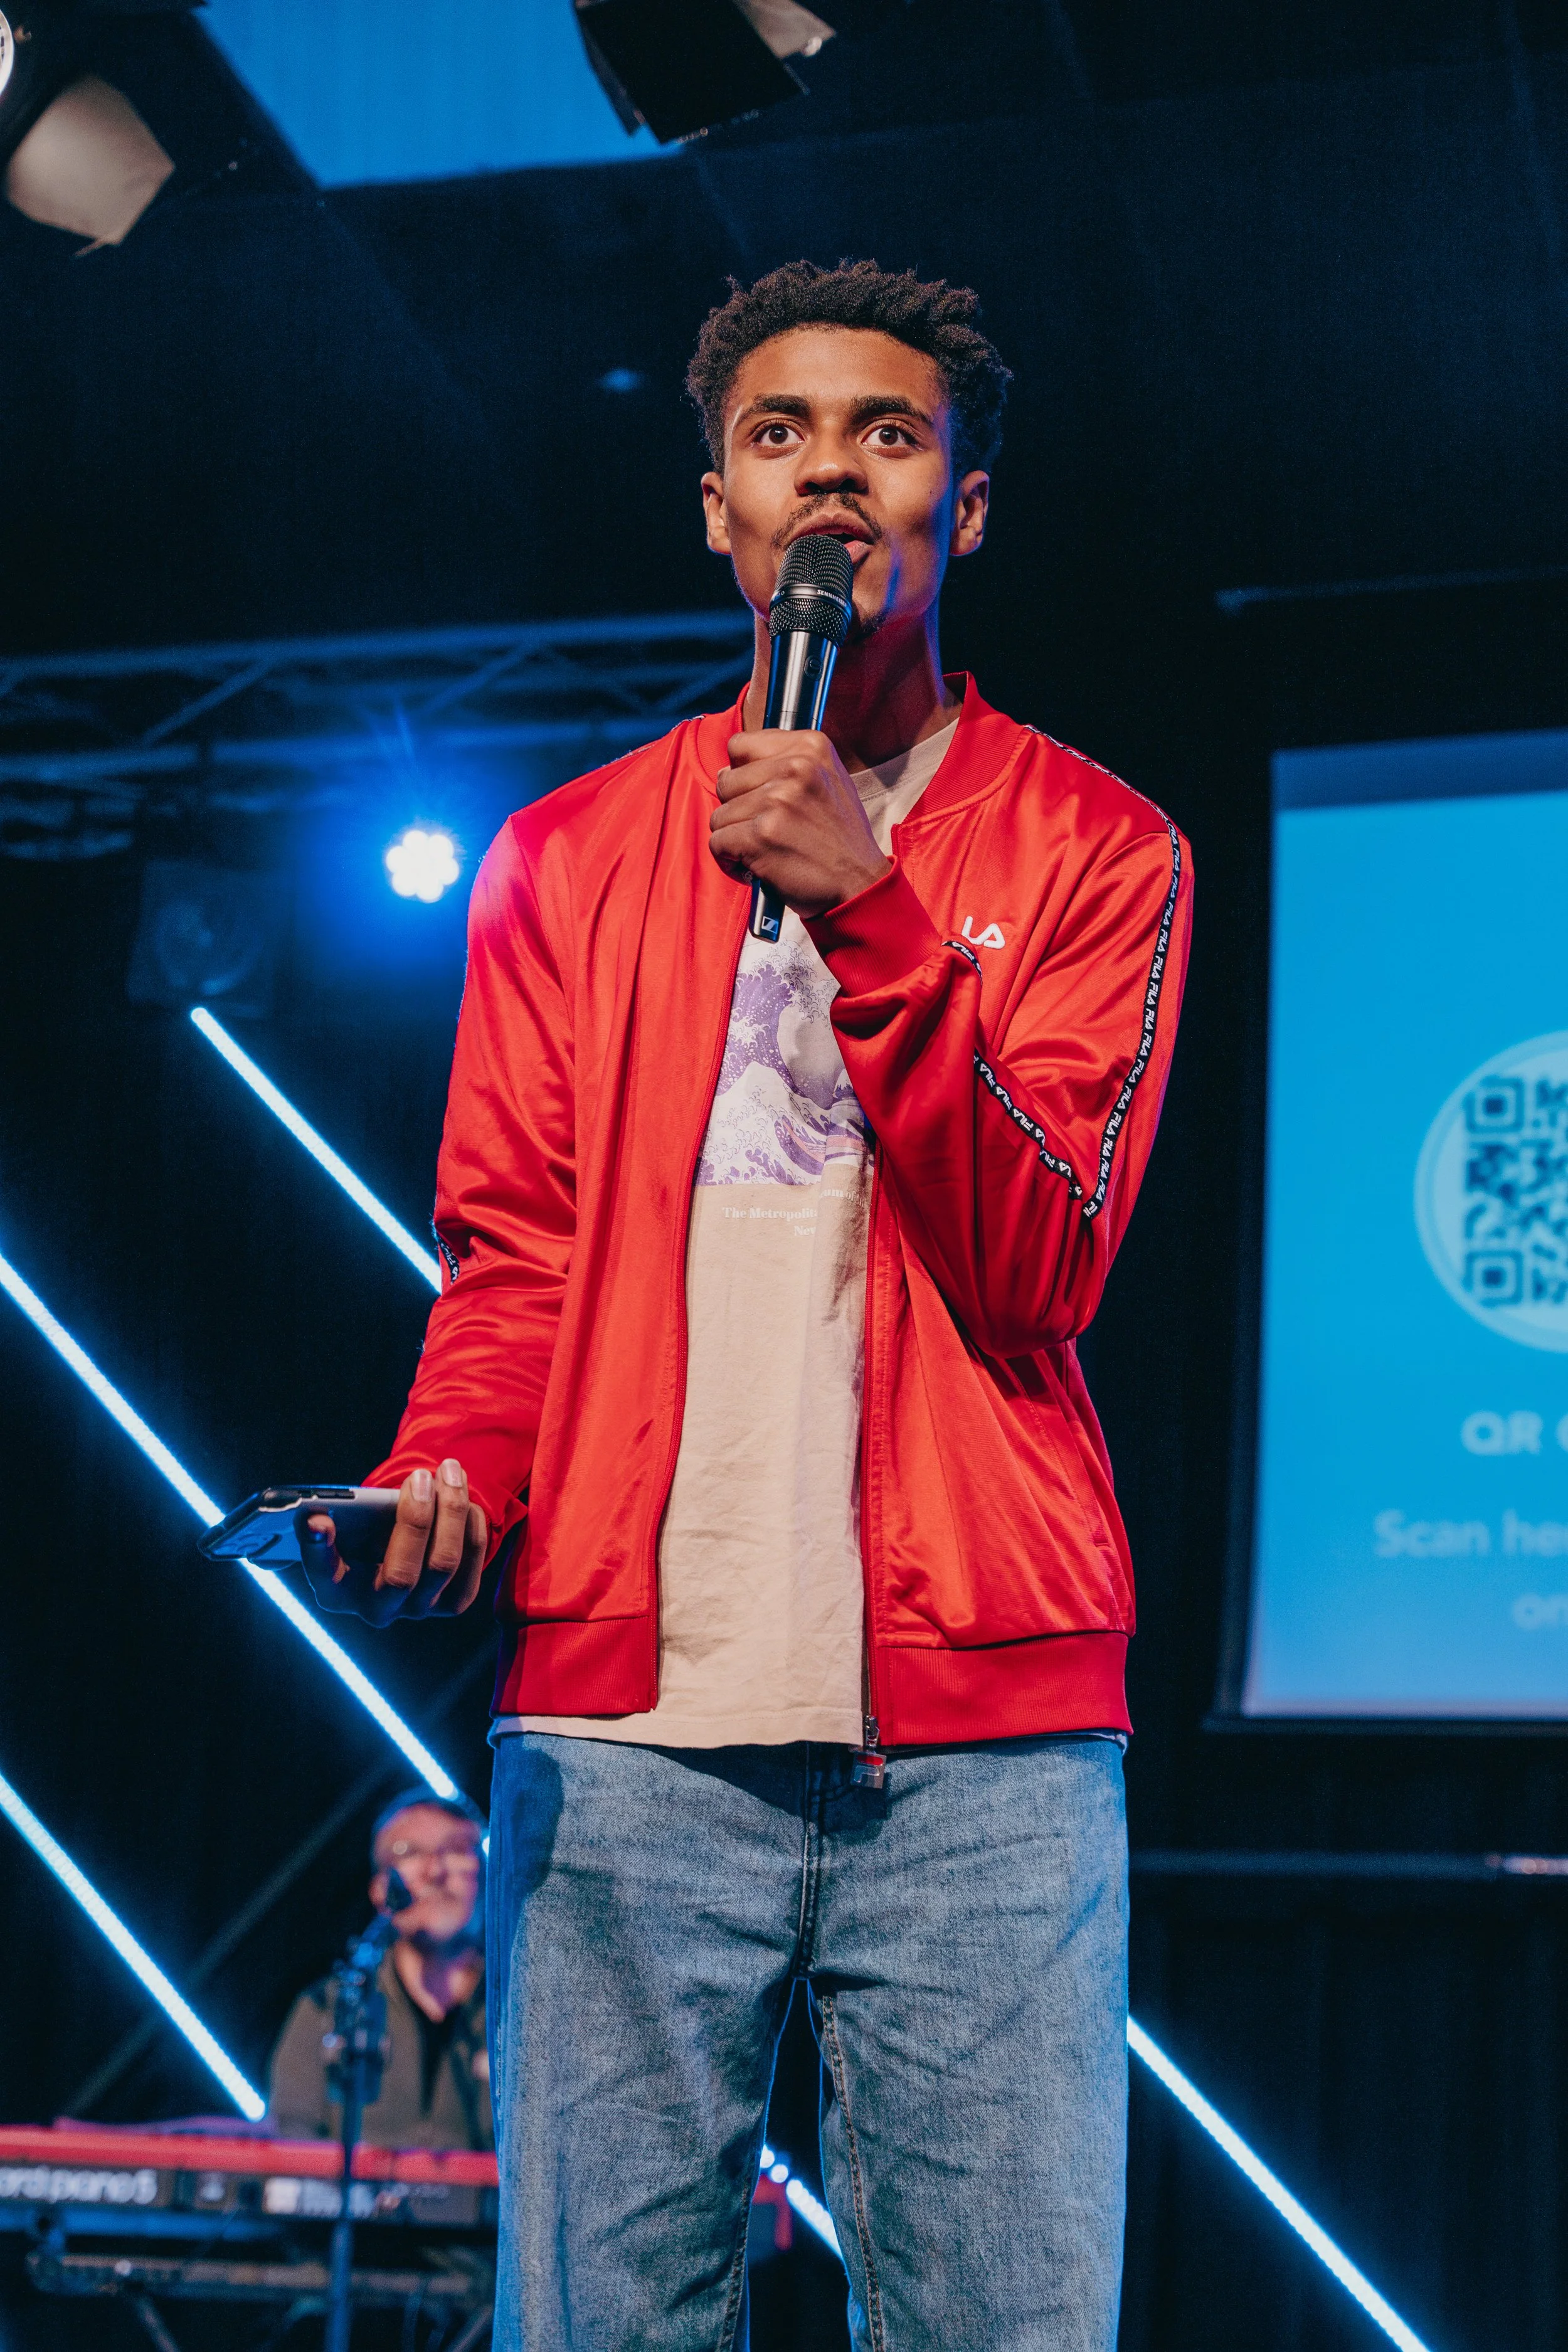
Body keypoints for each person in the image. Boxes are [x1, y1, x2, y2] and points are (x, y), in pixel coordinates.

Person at [304, 259, 1193, 2350]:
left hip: (983, 1743)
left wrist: (868, 913)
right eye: (781, 436)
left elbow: (1044, 1253)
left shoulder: (1097, 849)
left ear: (960, 509)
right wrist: (453, 1474)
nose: (832, 480)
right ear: (718, 504)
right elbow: (510, 1253)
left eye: (887, 438)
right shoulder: (563, 857)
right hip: (626, 1730)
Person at [267, 1789, 491, 2152]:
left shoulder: (529, 2017)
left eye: (455, 1850)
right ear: (379, 1890)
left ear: (484, 1879)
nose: (435, 1871)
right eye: (410, 1853)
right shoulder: (327, 2008)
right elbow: (291, 2151)